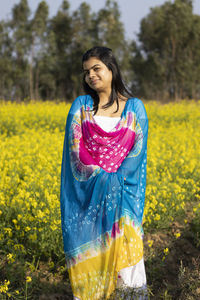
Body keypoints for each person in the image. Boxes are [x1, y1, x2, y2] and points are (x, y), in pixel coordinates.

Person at [60, 46, 148, 300]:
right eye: (87, 71)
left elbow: (137, 153)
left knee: (128, 271)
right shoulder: (82, 106)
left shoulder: (134, 108)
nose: (91, 75)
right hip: (88, 199)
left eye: (96, 68)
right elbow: (75, 151)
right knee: (91, 265)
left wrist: (115, 182)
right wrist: (103, 178)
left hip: (124, 201)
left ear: (112, 69)